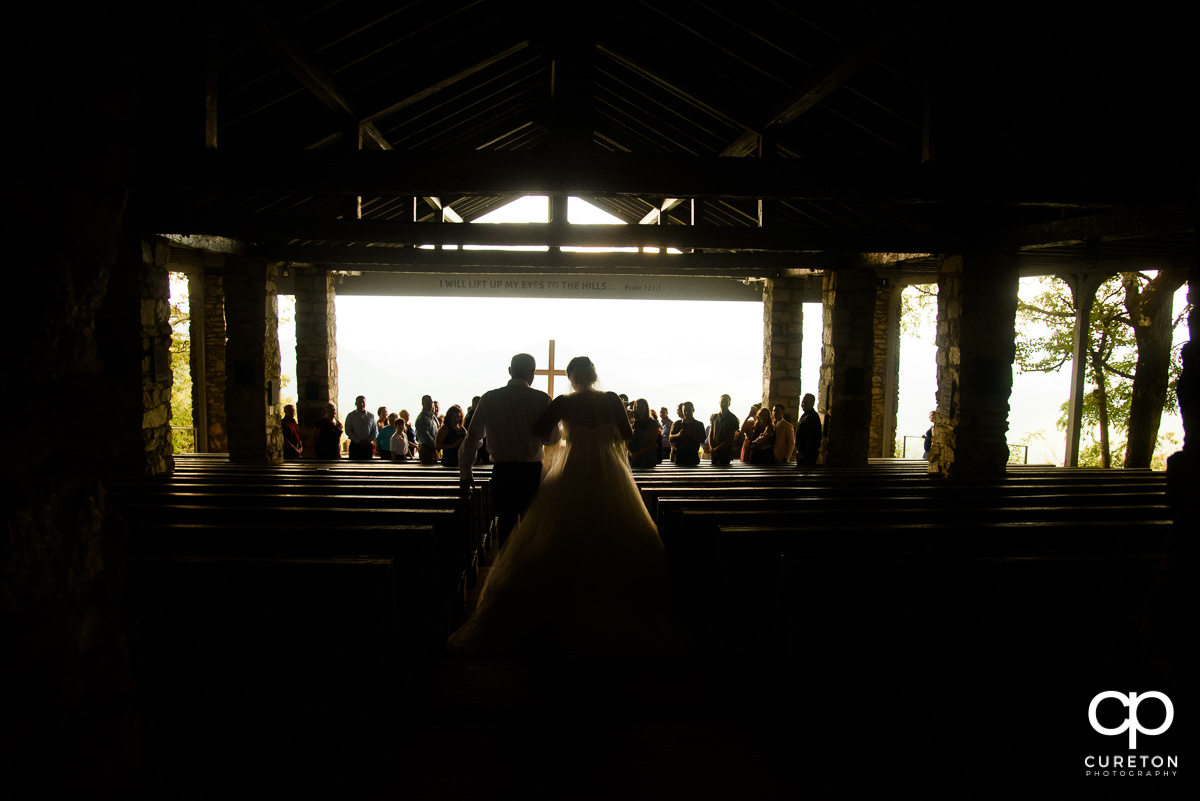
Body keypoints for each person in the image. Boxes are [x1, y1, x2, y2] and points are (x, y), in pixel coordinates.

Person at [448, 356, 681, 658]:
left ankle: (535, 598)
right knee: (610, 527)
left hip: (569, 469)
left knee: (554, 530)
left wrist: (566, 437)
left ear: (571, 377)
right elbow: (625, 434)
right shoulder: (611, 399)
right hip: (608, 470)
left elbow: (543, 431)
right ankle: (609, 595)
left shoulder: (561, 402)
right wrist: (603, 435)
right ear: (594, 374)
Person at [459, 353, 560, 547]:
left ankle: (505, 569)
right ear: (532, 374)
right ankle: (527, 570)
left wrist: (465, 472)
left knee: (506, 526)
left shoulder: (489, 398)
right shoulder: (541, 399)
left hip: (503, 473)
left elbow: (473, 437)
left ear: (510, 371)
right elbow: (552, 439)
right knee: (533, 526)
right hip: (531, 473)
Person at [627, 398, 660, 469]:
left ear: (646, 408)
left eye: (642, 407)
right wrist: (631, 452)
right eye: (637, 407)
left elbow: (652, 442)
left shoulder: (652, 423)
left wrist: (638, 453)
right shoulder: (633, 422)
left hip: (647, 456)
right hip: (633, 455)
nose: (639, 409)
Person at [669, 401, 705, 466]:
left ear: (693, 410)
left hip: (693, 456)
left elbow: (702, 439)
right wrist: (678, 435)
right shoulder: (676, 424)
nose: (686, 413)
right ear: (682, 411)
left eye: (689, 410)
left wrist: (691, 434)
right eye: (684, 411)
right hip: (679, 457)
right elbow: (670, 438)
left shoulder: (699, 425)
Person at [709, 394, 740, 466]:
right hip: (714, 453)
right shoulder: (715, 417)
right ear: (719, 402)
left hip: (725, 453)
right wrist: (711, 448)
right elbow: (711, 433)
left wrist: (716, 449)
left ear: (729, 404)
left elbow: (730, 438)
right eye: (722, 401)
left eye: (726, 402)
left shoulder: (732, 418)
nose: (724, 404)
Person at [344, 395, 377, 460]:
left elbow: (375, 431)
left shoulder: (371, 416)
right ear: (355, 403)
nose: (361, 404)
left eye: (363, 402)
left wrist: (368, 441)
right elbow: (348, 430)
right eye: (359, 402)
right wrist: (358, 441)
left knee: (368, 467)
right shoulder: (351, 416)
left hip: (367, 446)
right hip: (355, 446)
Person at [796, 393, 822, 466]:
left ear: (811, 403)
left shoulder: (812, 417)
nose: (803, 404)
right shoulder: (806, 415)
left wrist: (803, 452)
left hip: (808, 454)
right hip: (804, 453)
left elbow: (812, 437)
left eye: (805, 402)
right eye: (802, 402)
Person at [415, 395, 440, 465]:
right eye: (428, 402)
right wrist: (436, 444)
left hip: (434, 450)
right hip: (426, 450)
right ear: (423, 403)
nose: (430, 404)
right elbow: (426, 437)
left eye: (431, 402)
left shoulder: (433, 417)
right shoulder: (422, 418)